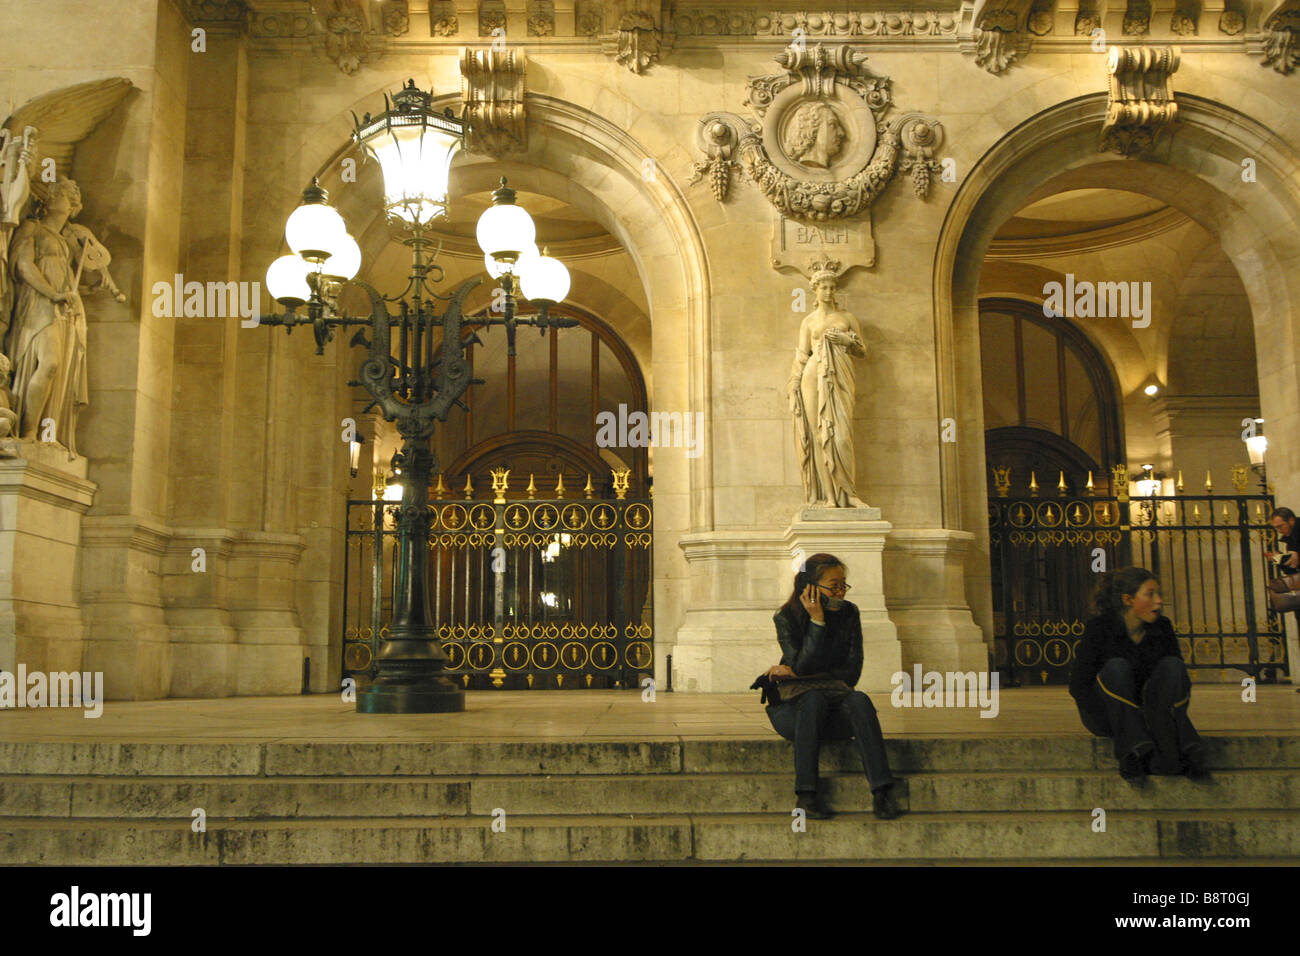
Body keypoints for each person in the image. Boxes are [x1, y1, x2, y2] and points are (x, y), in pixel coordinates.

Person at [766, 551, 903, 819]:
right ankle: (806, 795)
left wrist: (797, 673)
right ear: (809, 587)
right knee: (813, 699)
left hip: (836, 707)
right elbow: (803, 665)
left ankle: (882, 792)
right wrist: (817, 621)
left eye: (843, 585)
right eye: (834, 586)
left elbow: (851, 674)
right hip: (796, 713)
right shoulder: (786, 618)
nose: (841, 592)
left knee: (860, 700)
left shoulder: (849, 614)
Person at [1069, 566, 1208, 785]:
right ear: (1128, 599)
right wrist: (1122, 716)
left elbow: (1174, 680)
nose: (1159, 601)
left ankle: (1182, 753)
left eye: (1159, 594)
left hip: (1151, 711)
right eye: (1150, 594)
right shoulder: (1100, 627)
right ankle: (1132, 753)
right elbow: (1078, 686)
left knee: (1173, 666)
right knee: (1116, 668)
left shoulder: (1162, 627)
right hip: (1106, 713)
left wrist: (1148, 713)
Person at [1266, 506, 1300, 692]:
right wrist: (1281, 561)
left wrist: (1296, 553)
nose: (1280, 530)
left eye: (1281, 526)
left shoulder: (1297, 534)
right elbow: (1293, 570)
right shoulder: (1290, 541)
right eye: (1277, 528)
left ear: (1292, 521)